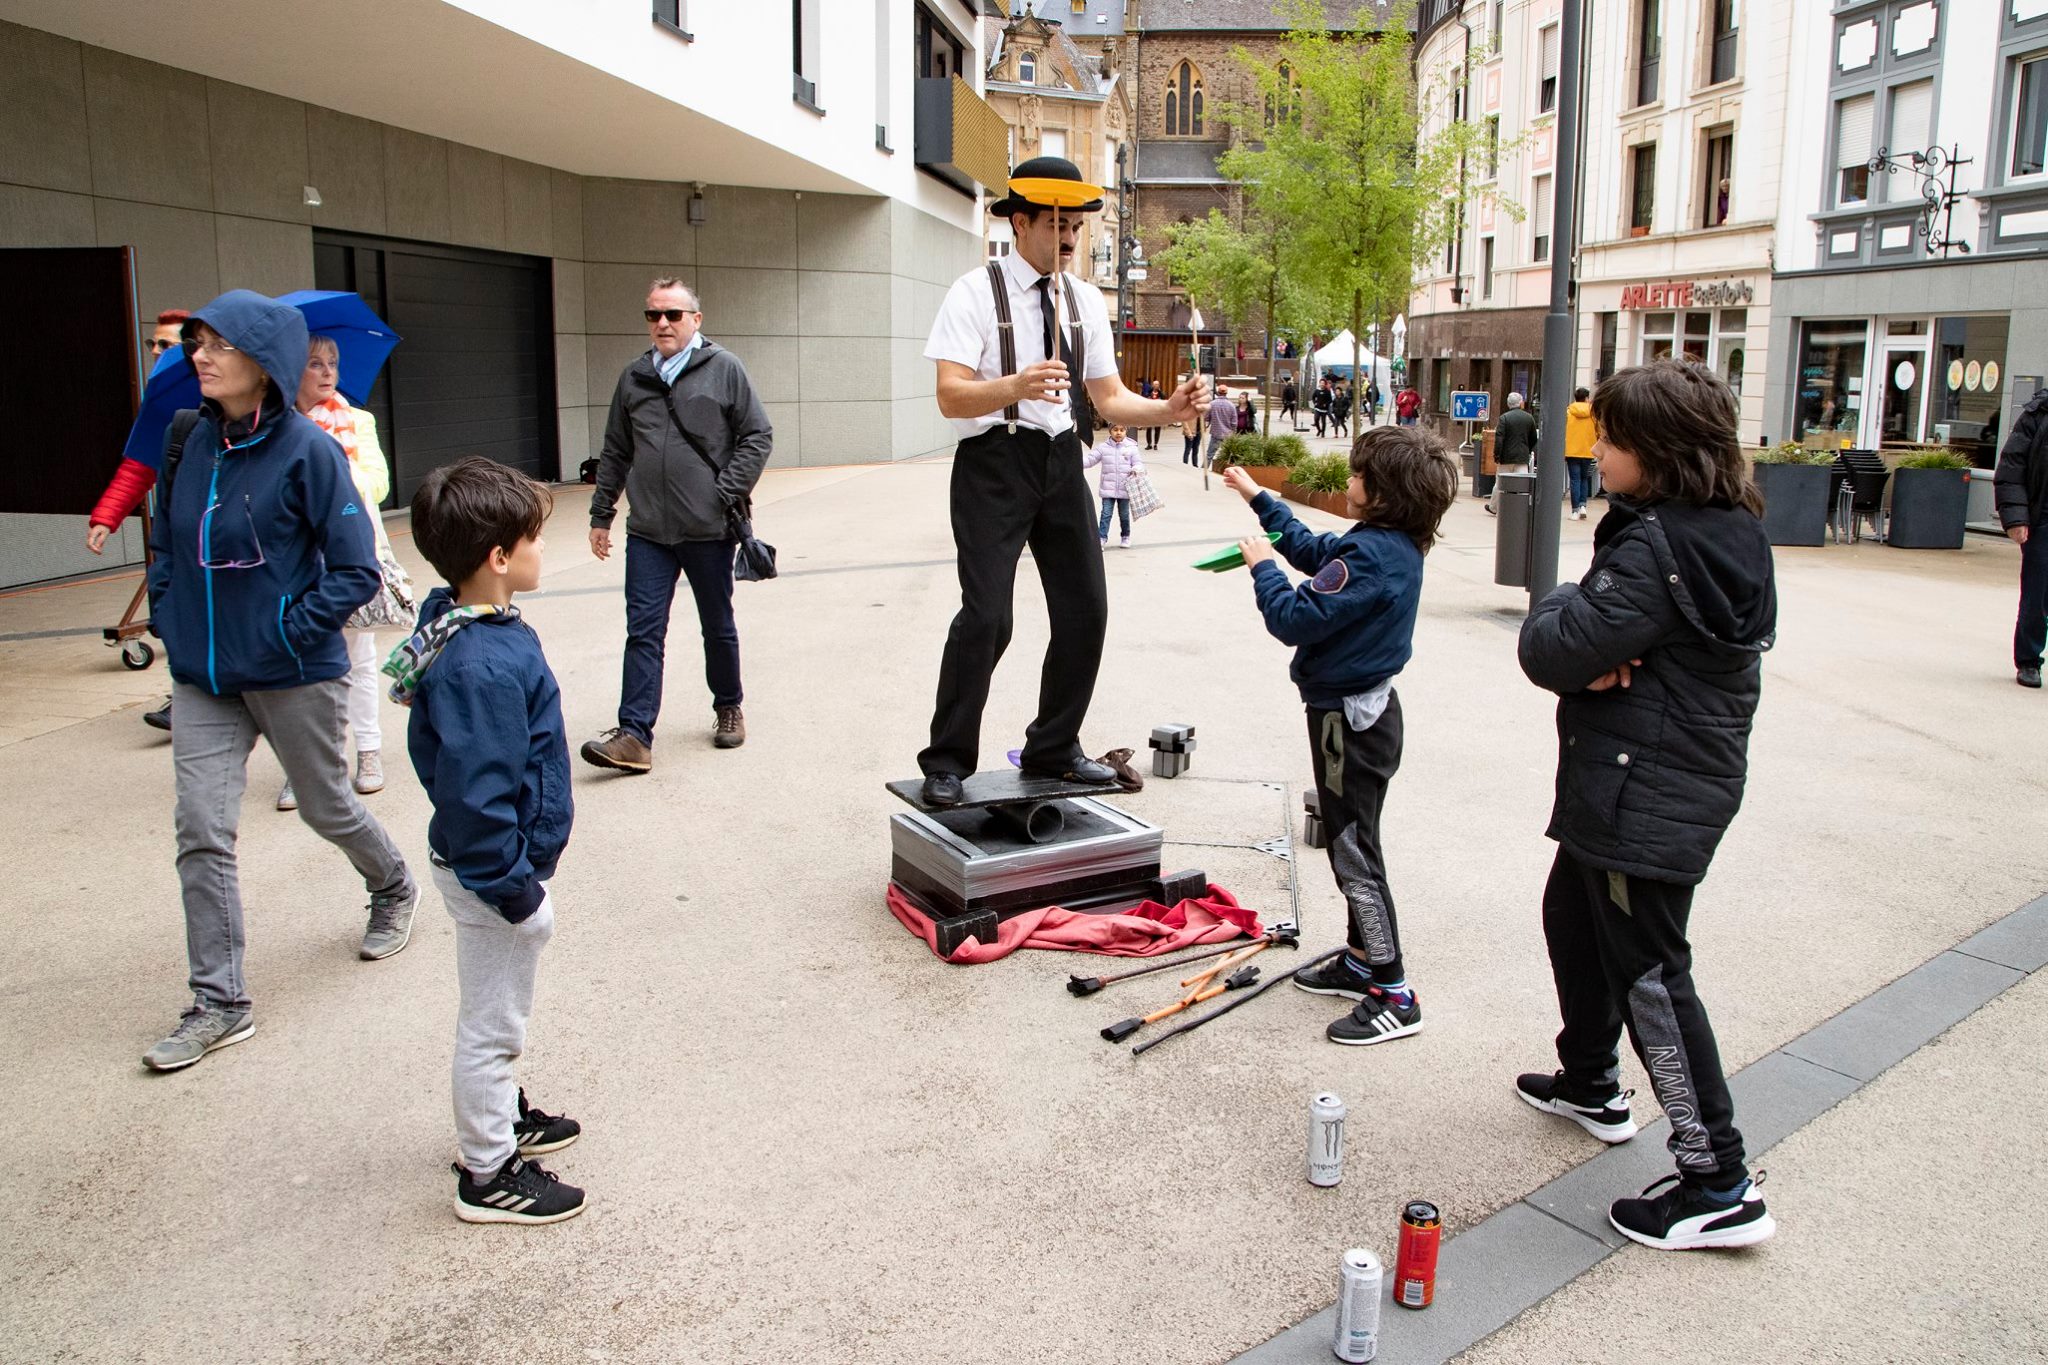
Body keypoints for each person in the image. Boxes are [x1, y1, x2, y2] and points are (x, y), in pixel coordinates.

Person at [1514, 360, 1778, 1252]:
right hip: (1638, 777)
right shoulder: (1712, 525)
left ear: (1656, 452)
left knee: (1651, 976)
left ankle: (1718, 1178)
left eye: (1613, 435)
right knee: (1574, 919)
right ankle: (1591, 1078)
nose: (1599, 445)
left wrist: (1566, 607)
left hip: (1646, 791)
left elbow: (1550, 648)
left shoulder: (1659, 547)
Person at [141, 290, 417, 1073]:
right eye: (196, 342)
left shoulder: (309, 452)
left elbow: (356, 571)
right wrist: (170, 615)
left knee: (327, 806)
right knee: (202, 828)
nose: (200, 355)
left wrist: (286, 628)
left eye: (217, 345)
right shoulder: (188, 436)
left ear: (263, 364)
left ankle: (392, 882)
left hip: (293, 671)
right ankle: (219, 1001)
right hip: (204, 675)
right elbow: (164, 541)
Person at [915, 155, 1208, 807]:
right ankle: (946, 758)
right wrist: (1014, 386)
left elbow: (1108, 398)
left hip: (1061, 460)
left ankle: (1055, 744)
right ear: (1019, 223)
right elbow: (949, 396)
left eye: (1075, 224)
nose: (1070, 236)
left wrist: (1168, 410)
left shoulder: (1082, 301)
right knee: (989, 617)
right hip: (993, 463)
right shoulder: (974, 291)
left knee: (1086, 610)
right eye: (1055, 223)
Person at [391, 456, 585, 1225]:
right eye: (534, 538)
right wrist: (516, 891)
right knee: (494, 1022)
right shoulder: (481, 663)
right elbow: (477, 797)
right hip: (491, 875)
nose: (543, 550)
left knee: (499, 1010)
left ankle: (502, 1112)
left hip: (486, 865)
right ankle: (488, 1169)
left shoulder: (463, 619)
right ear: (499, 558)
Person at [1218, 425, 1459, 1045]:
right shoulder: (1386, 544)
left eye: (1356, 475)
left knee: (1354, 851)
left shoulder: (1375, 556)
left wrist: (1263, 570)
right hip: (1357, 716)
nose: (1348, 481)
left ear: (1380, 491)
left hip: (1348, 724)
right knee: (1353, 843)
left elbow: (1295, 617)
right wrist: (1258, 498)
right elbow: (1317, 552)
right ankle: (1360, 959)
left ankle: (1393, 988)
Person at [582, 278, 772, 773]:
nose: (662, 324)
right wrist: (602, 515)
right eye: (653, 315)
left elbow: (757, 435)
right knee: (643, 632)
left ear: (696, 320)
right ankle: (633, 736)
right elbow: (615, 451)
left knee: (717, 626)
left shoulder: (725, 369)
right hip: (648, 531)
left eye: (672, 314)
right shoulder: (634, 377)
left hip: (708, 530)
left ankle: (728, 706)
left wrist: (723, 493)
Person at [276, 336, 395, 810]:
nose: (327, 373)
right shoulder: (275, 425)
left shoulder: (357, 422)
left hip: (346, 554)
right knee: (297, 668)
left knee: (358, 659)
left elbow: (380, 484)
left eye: (333, 363)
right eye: (314, 364)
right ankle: (306, 767)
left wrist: (328, 461)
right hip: (292, 560)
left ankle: (368, 752)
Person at [90, 308, 192, 733]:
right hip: (177, 535)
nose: (155, 351)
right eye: (153, 343)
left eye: (165, 345)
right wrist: (106, 517)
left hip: (226, 535)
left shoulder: (232, 401)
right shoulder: (162, 401)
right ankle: (186, 699)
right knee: (168, 614)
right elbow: (138, 467)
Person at [1995, 384, 2048, 688]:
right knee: (2036, 596)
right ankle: (2029, 660)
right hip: (2043, 520)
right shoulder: (2036, 415)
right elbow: (2011, 467)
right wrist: (2016, 518)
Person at [1084, 423, 1145, 549]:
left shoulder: (1131, 447)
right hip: (1108, 488)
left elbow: (1138, 462)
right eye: (1115, 430)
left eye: (1122, 430)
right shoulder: (1103, 448)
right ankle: (1101, 537)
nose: (1118, 433)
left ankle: (1125, 536)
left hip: (1125, 488)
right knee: (1106, 514)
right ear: (1110, 431)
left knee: (1124, 515)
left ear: (1126, 431)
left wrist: (1137, 468)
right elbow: (1090, 460)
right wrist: (1075, 462)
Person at [1487, 390, 1539, 514]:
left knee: (1500, 483)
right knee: (1522, 483)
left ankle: (1494, 507)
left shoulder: (1504, 418)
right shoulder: (1529, 418)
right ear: (1520, 403)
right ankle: (1520, 508)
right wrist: (1527, 449)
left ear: (1508, 404)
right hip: (1522, 457)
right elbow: (1533, 438)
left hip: (1506, 457)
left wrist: (1497, 455)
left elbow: (1499, 439)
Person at [1205, 383, 1236, 469]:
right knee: (1228, 455)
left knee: (1210, 454)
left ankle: (1204, 469)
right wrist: (1233, 432)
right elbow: (1234, 423)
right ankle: (1226, 470)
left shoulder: (1212, 404)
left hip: (1216, 433)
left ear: (1218, 392)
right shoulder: (1231, 405)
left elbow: (1206, 417)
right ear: (1226, 393)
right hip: (1228, 435)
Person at [1140, 379, 1163, 451]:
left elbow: (1165, 399)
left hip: (1158, 414)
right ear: (1152, 385)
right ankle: (1149, 444)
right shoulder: (1149, 392)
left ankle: (1155, 444)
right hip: (1150, 413)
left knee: (1157, 429)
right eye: (1155, 384)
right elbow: (1144, 399)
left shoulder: (1161, 393)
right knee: (1148, 429)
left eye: (1157, 384)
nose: (1156, 386)